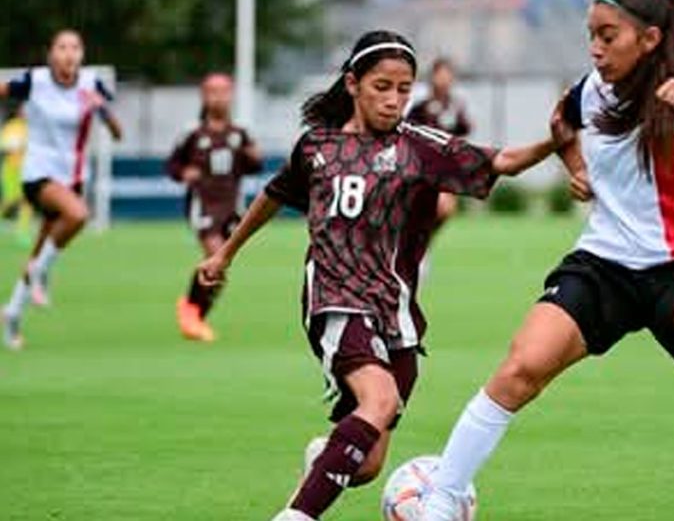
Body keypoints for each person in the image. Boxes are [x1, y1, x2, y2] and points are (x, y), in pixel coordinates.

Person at [421, 0, 674, 520]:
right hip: (604, 264)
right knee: (520, 367)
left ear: (649, 38)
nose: (595, 49)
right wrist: (576, 168)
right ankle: (438, 502)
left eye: (608, 36)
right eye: (591, 36)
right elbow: (561, 122)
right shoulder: (592, 90)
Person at [193, 30, 572, 521]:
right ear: (352, 83)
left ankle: (323, 458)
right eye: (381, 87)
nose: (394, 100)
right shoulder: (317, 146)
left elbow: (502, 162)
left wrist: (554, 139)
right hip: (334, 296)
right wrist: (226, 253)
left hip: (395, 314)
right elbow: (274, 195)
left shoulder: (419, 146)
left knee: (368, 464)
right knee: (380, 397)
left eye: (403, 89)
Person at [0, 29, 122, 350]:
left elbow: (117, 132)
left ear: (82, 54)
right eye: (62, 47)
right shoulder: (35, 81)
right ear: (51, 54)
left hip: (72, 178)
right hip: (37, 174)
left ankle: (12, 313)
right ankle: (40, 274)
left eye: (75, 47)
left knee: (41, 249)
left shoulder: (91, 83)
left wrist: (101, 109)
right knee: (79, 214)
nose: (69, 53)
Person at [167, 73, 262, 343]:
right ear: (204, 96)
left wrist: (253, 157)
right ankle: (191, 314)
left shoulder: (240, 133)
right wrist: (184, 173)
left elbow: (254, 166)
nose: (218, 97)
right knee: (215, 255)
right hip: (203, 204)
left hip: (231, 206)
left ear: (231, 95)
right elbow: (172, 165)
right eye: (213, 92)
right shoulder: (193, 133)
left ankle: (193, 314)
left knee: (220, 270)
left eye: (223, 91)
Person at [407, 58, 475, 237]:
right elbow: (407, 130)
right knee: (430, 208)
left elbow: (465, 129)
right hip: (422, 167)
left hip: (445, 167)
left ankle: (423, 242)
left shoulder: (455, 105)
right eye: (441, 75)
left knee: (445, 209)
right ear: (432, 77)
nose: (444, 79)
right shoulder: (422, 105)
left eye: (448, 75)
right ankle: (416, 244)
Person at [0, 104, 33, 244]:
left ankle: (23, 231)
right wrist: (16, 147)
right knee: (10, 200)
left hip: (27, 169)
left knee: (27, 201)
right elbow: (5, 146)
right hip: (11, 169)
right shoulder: (12, 126)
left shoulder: (32, 128)